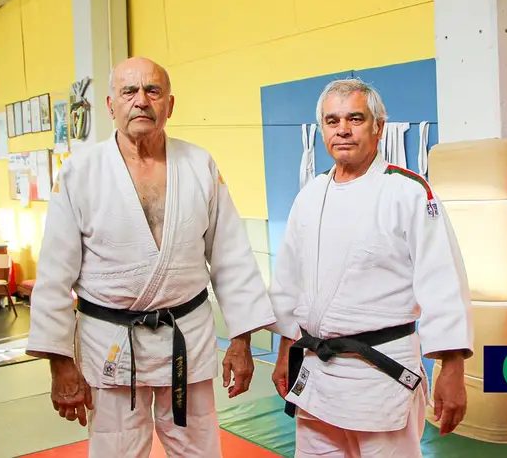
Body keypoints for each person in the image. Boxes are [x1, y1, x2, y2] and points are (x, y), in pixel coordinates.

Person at [26, 56, 277, 457]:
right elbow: (55, 274)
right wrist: (60, 362)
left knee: (199, 449)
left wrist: (242, 340)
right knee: (115, 452)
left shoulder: (199, 164)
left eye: (152, 91)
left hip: (186, 336)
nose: (141, 101)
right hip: (110, 341)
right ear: (111, 105)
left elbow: (232, 257)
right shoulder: (80, 172)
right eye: (129, 91)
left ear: (169, 105)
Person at [267, 78, 474, 457]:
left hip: (380, 373)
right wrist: (285, 351)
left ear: (378, 127)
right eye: (332, 121)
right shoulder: (310, 195)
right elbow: (288, 284)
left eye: (355, 119)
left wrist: (452, 368)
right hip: (317, 372)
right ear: (322, 130)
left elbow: (442, 281)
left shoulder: (408, 191)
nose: (342, 130)